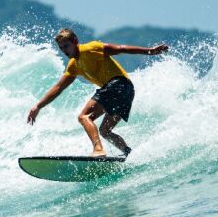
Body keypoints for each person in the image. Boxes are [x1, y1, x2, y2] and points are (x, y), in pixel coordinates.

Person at [27, 28, 168, 157]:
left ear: (75, 41)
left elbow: (121, 48)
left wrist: (149, 51)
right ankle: (128, 153)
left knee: (84, 116)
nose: (64, 50)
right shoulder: (73, 65)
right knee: (105, 131)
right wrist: (38, 106)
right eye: (61, 47)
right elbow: (58, 88)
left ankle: (98, 150)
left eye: (66, 46)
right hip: (127, 91)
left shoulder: (90, 48)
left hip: (118, 84)